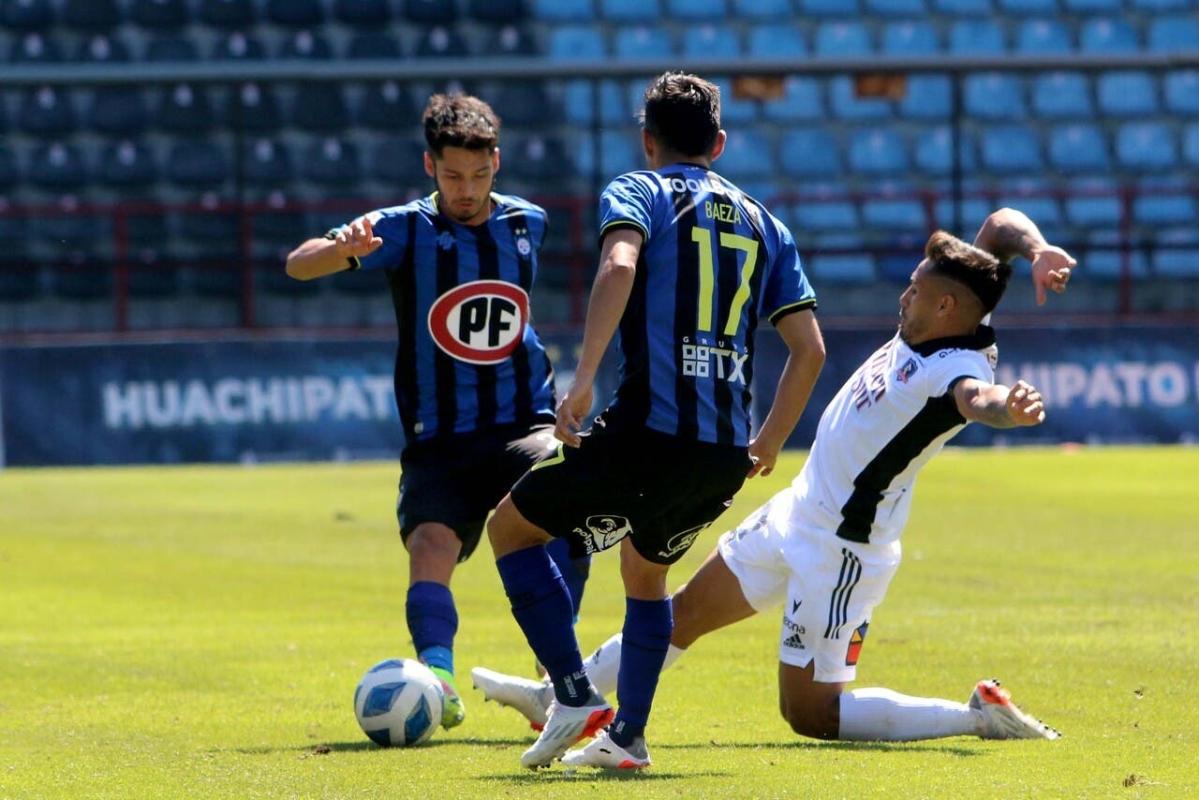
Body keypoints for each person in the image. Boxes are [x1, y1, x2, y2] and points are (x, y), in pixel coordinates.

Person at [473, 209, 1076, 755]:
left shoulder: (957, 367)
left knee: (810, 713)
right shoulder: (955, 311)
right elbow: (998, 226)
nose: (904, 295)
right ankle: (557, 695)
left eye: (915, 289)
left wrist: (1008, 406)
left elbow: (978, 399)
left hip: (842, 549)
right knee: (681, 614)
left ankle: (976, 718)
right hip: (797, 512)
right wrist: (1039, 248)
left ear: (945, 308)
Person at [484, 72, 827, 770]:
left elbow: (618, 263)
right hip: (722, 450)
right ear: (719, 144)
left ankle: (572, 694)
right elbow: (810, 349)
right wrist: (769, 438)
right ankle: (628, 737)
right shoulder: (767, 224)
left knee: (511, 529)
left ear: (647, 141)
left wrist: (583, 379)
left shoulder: (639, 190)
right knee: (646, 573)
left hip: (647, 430)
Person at [284, 93, 589, 731]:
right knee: (430, 545)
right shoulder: (402, 228)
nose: (466, 190)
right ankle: (438, 684)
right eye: (452, 175)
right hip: (441, 436)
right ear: (430, 166)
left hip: (523, 422)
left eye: (478, 174)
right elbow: (298, 264)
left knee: (563, 511)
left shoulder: (528, 222)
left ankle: (555, 682)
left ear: (497, 162)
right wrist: (345, 249)